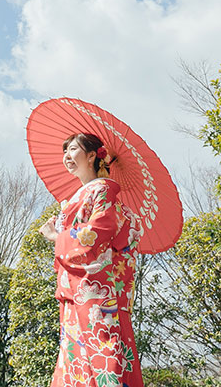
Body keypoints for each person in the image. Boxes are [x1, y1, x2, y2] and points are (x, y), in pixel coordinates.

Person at [39, 132, 144, 387]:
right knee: (81, 357)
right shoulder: (87, 193)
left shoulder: (102, 190)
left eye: (73, 149)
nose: (66, 156)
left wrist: (58, 237)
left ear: (91, 156)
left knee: (101, 356)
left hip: (94, 292)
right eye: (64, 151)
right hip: (80, 290)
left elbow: (98, 233)